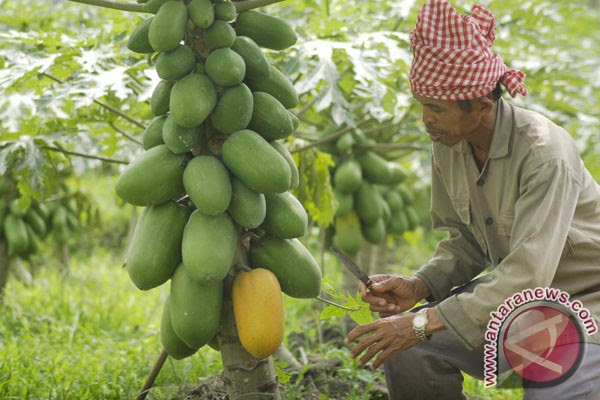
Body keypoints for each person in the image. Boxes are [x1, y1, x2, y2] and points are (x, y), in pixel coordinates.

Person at [344, 1, 600, 399]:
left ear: (482, 105)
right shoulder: (450, 141)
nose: (426, 119)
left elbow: (528, 275)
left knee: (551, 389)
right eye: (423, 106)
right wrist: (419, 285)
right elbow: (466, 240)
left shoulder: (545, 153)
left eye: (436, 109)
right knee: (409, 351)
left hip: (585, 303)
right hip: (514, 303)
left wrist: (421, 321)